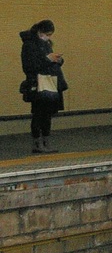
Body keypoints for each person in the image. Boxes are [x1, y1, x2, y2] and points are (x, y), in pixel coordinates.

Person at [20, 19, 67, 153]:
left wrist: (58, 60)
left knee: (48, 114)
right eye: (47, 34)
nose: (48, 37)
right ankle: (37, 143)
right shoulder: (29, 45)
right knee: (39, 113)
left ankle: (45, 141)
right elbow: (29, 66)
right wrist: (48, 60)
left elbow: (47, 61)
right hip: (38, 83)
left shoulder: (45, 44)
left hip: (51, 82)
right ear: (40, 32)